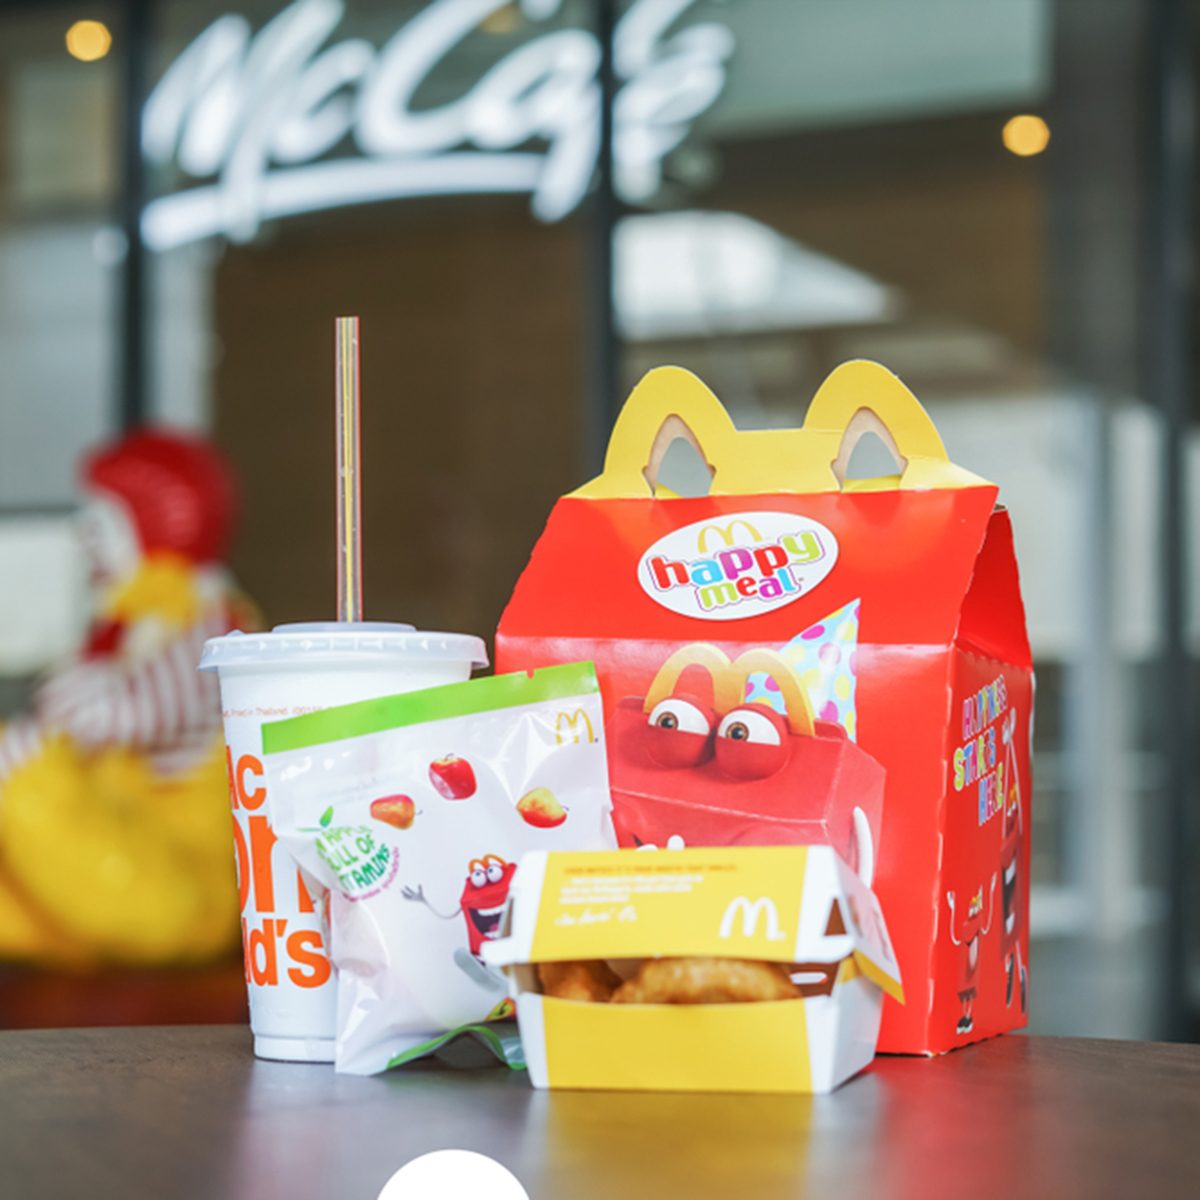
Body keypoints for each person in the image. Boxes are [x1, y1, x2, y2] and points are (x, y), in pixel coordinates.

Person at [0, 430, 257, 964]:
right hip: (138, 843)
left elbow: (99, 715)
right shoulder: (136, 620)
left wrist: (57, 704)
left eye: (103, 518)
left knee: (21, 763)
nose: (86, 534)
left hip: (188, 887)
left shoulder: (205, 622)